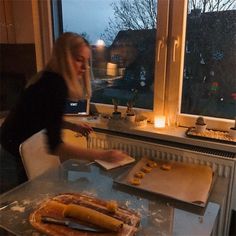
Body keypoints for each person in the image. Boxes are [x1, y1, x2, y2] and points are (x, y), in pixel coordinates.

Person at [0, 32, 127, 191]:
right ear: (64, 58)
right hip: (9, 151)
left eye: (86, 61)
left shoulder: (50, 78)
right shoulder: (55, 85)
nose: (84, 67)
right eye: (79, 59)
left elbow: (46, 117)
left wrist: (73, 127)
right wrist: (102, 155)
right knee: (16, 202)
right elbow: (56, 147)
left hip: (16, 143)